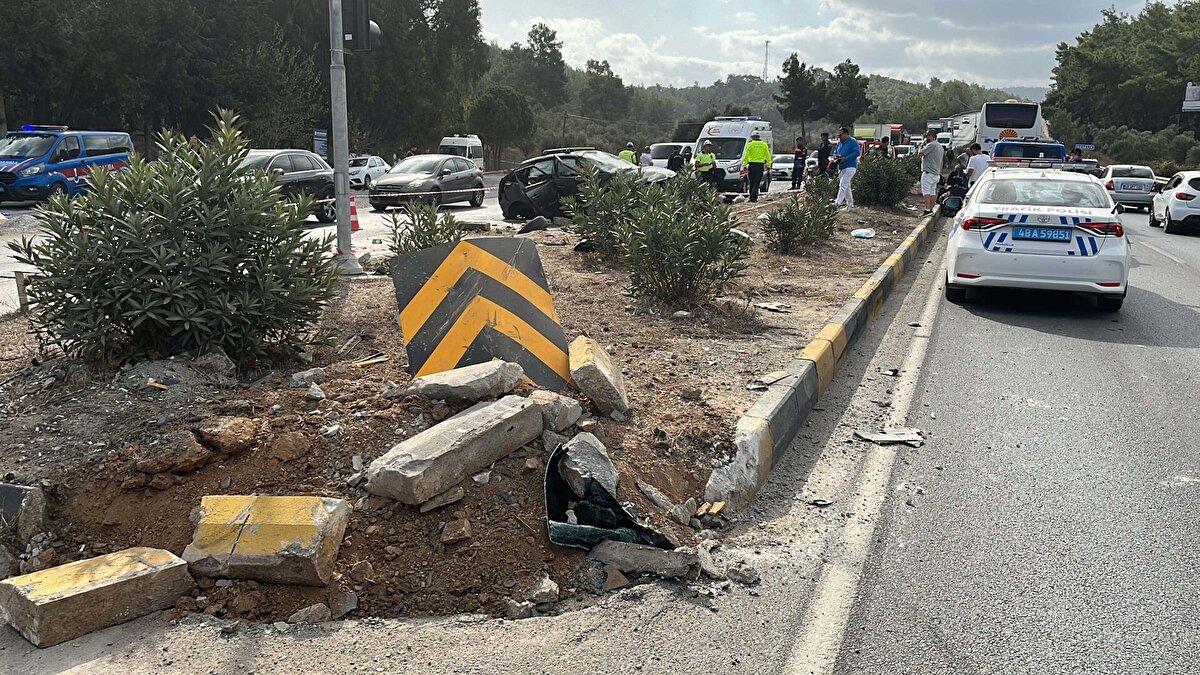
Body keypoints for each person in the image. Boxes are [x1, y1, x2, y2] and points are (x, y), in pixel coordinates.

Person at [831, 126, 860, 209]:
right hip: (841, 167)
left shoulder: (853, 141)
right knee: (846, 186)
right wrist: (836, 158)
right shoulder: (839, 143)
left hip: (850, 166)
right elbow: (835, 153)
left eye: (841, 135)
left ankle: (837, 203)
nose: (839, 137)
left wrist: (846, 158)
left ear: (846, 134)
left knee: (843, 184)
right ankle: (850, 205)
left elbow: (857, 153)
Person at [918, 129, 945, 215]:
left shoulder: (931, 145)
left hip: (928, 172)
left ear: (932, 136)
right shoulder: (940, 146)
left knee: (926, 191)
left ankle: (927, 209)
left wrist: (921, 146)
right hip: (936, 173)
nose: (926, 138)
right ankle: (931, 209)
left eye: (927, 136)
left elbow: (920, 153)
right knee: (932, 192)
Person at [743, 131, 772, 202]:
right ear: (759, 137)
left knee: (752, 181)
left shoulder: (750, 144)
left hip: (752, 165)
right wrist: (768, 164)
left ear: (752, 137)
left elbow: (746, 155)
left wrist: (744, 164)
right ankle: (755, 197)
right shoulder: (764, 144)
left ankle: (751, 197)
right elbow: (768, 155)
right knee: (757, 181)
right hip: (760, 165)